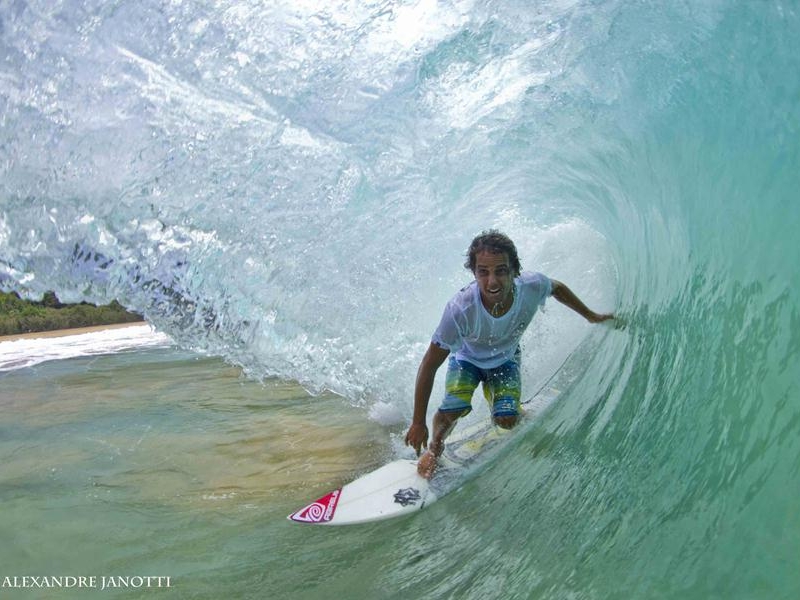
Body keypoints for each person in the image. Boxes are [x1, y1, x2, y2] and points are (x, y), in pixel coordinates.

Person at [404, 230, 614, 479]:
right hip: (466, 361)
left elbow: (557, 288)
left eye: (501, 271)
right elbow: (429, 364)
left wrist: (591, 316)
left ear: (515, 270)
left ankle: (506, 407)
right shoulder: (460, 310)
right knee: (455, 407)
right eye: (483, 272)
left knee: (507, 421)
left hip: (505, 359)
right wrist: (418, 422)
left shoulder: (531, 286)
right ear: (474, 274)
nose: (492, 281)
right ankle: (435, 449)